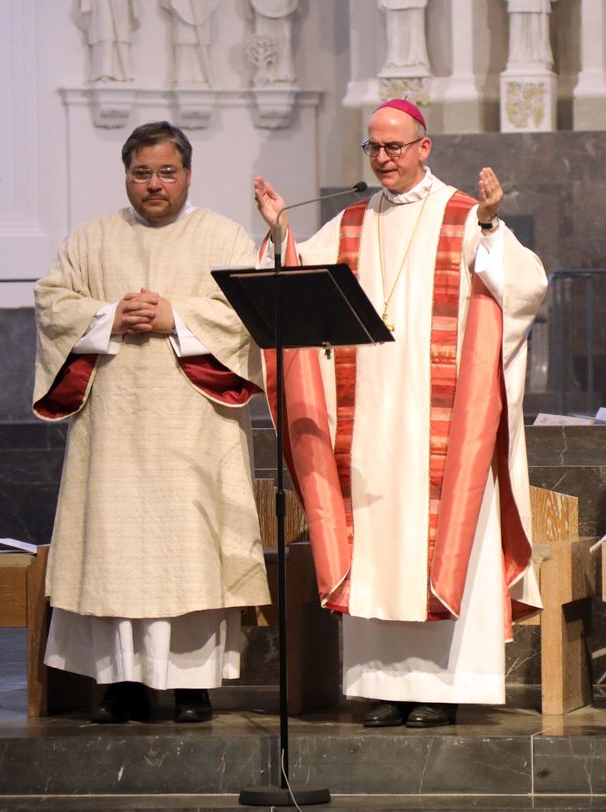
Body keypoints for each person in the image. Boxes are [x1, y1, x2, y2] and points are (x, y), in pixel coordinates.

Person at [252, 98, 545, 728]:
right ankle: (384, 686)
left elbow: (524, 287)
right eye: (373, 148)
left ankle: (442, 690)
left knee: (436, 543)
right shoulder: (351, 221)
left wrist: (492, 230)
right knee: (380, 555)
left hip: (443, 424)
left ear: (423, 147)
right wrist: (281, 235)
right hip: (370, 427)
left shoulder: (466, 214)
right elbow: (300, 279)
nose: (382, 159)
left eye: (394, 147)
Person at [33, 121, 269, 724]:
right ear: (127, 176)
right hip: (113, 431)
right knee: (117, 552)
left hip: (194, 429)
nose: (155, 184)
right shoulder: (92, 241)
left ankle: (193, 686)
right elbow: (53, 303)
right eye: (142, 173)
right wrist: (109, 315)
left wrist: (176, 318)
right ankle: (123, 685)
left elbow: (248, 310)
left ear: (188, 174)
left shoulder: (222, 236)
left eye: (167, 171)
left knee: (190, 551)